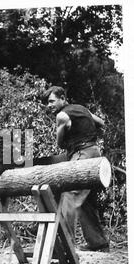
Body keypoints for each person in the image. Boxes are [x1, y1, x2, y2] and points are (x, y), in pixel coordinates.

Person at [43, 85, 109, 252]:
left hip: (82, 155)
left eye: (52, 101)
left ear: (62, 98)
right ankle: (98, 243)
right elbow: (101, 123)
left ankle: (67, 245)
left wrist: (71, 138)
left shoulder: (62, 115)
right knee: (86, 201)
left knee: (69, 195)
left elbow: (60, 143)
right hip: (95, 153)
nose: (49, 105)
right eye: (47, 103)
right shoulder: (82, 109)